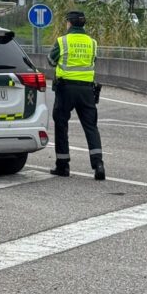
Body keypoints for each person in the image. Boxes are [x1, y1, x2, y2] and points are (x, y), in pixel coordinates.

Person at [48, 10, 105, 180]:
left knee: (61, 124)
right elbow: (93, 61)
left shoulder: (62, 41)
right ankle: (98, 165)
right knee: (91, 127)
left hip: (66, 89)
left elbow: (51, 60)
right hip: (87, 90)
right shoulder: (92, 43)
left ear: (70, 23)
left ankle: (63, 166)